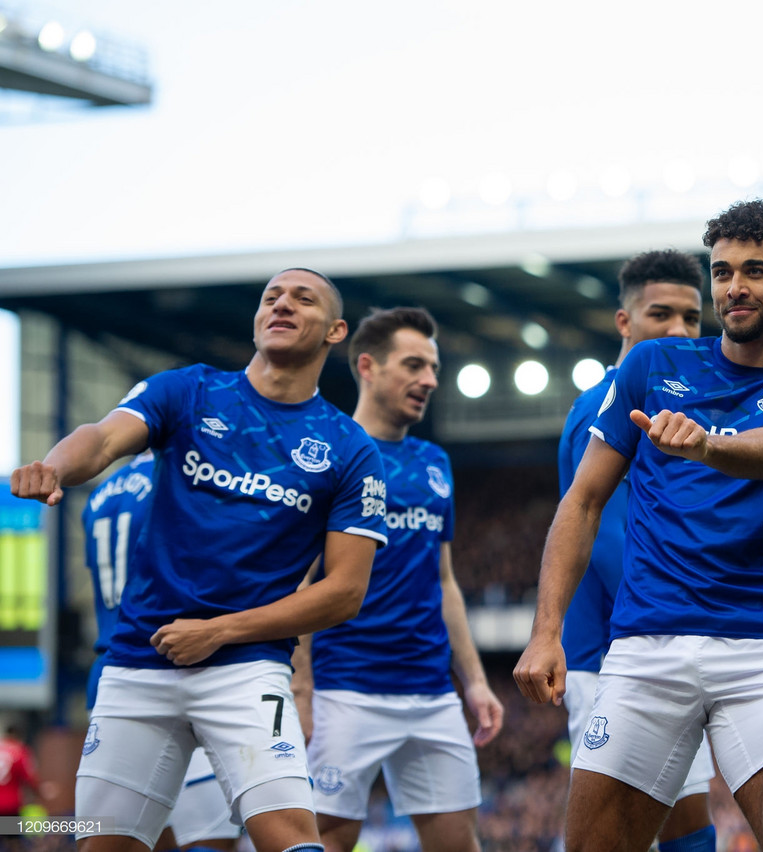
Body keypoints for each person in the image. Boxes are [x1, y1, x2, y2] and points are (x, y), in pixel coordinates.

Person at [515, 199, 763, 852]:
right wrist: (546, 632)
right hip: (644, 648)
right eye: (724, 270)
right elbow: (584, 500)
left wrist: (708, 445)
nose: (735, 286)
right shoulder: (653, 368)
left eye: (756, 270)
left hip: (760, 649)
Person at [10, 267, 388, 852]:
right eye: (270, 297)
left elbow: (345, 592)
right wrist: (55, 465)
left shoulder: (350, 450)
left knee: (287, 839)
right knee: (106, 843)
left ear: (336, 331)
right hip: (138, 661)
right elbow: (104, 437)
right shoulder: (187, 391)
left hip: (246, 667)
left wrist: (220, 632)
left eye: (302, 298)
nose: (281, 304)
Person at [293, 306, 504, 852]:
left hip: (431, 693)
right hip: (345, 691)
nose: (429, 380)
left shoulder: (435, 461)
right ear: (367, 365)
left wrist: (474, 680)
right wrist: (301, 687)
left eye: (433, 368)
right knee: (324, 842)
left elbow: (446, 580)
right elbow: (299, 583)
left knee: (460, 844)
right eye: (413, 365)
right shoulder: (326, 453)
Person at [556, 249, 716, 852]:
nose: (679, 330)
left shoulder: (680, 408)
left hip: (664, 646)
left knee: (690, 824)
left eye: (691, 317)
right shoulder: (602, 407)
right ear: (624, 323)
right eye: (661, 314)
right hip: (610, 656)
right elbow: (609, 538)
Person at [82, 451, 240, 852]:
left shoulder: (99, 493)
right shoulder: (183, 479)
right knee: (209, 838)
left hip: (110, 672)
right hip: (170, 664)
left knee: (130, 835)